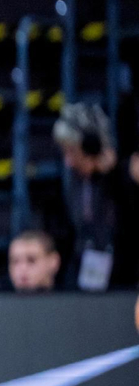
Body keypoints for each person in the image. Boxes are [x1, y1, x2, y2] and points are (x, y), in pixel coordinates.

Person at [51, 103, 137, 291]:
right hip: (85, 279)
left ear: (91, 146)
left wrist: (111, 172)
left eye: (72, 151)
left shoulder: (126, 175)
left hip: (126, 282)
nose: (68, 161)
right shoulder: (74, 182)